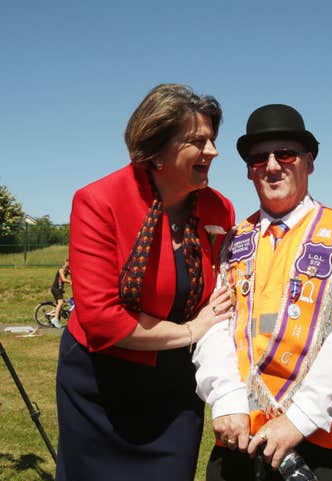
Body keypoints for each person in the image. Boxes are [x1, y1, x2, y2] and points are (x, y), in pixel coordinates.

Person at [55, 84, 235, 481]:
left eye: (212, 140)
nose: (213, 152)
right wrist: (192, 329)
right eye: (198, 141)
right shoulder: (98, 201)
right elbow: (102, 319)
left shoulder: (217, 208)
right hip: (99, 383)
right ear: (157, 149)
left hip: (174, 387)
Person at [193, 104, 332, 481]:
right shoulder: (230, 243)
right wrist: (227, 398)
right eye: (259, 158)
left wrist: (299, 419)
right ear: (249, 170)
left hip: (326, 436)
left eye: (286, 154)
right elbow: (213, 327)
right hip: (241, 433)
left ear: (308, 162)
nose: (273, 166)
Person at [50, 258, 71, 328]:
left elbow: (75, 274)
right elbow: (63, 279)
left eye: (68, 266)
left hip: (59, 289)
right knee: (60, 303)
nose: (67, 267)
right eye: (66, 266)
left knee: (59, 305)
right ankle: (55, 319)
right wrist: (71, 282)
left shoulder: (67, 271)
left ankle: (55, 320)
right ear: (63, 264)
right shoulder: (61, 270)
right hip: (56, 289)